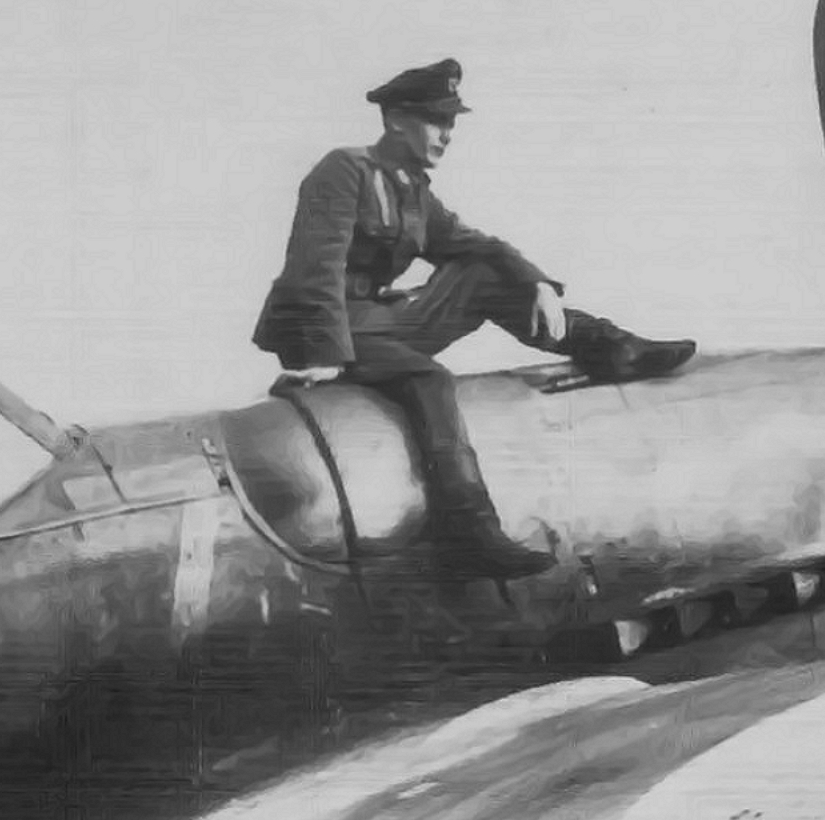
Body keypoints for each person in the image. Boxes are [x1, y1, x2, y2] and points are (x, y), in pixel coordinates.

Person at [252, 58, 696, 582]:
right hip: (322, 329)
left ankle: (611, 348)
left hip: (372, 321)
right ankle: (467, 529)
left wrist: (537, 283)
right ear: (396, 120)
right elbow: (315, 268)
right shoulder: (344, 171)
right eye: (436, 120)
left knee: (483, 274)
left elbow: (477, 245)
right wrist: (325, 357)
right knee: (428, 378)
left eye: (451, 122)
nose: (447, 134)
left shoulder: (412, 190)